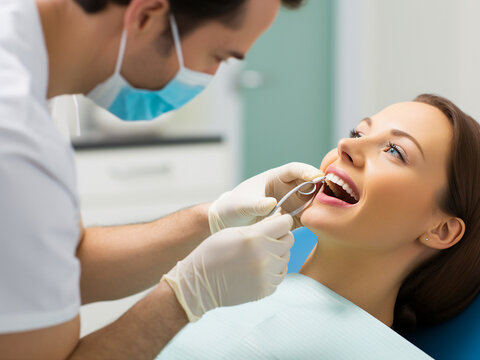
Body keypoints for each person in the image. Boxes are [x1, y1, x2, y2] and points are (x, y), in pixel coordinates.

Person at [0, 0, 327, 359]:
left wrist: (212, 220)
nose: (209, 76)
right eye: (217, 56)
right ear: (146, 15)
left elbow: (63, 264)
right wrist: (186, 297)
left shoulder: (33, 66)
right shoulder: (15, 142)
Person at [154, 94, 480, 359]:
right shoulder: (230, 286)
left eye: (394, 151)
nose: (345, 145)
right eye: (359, 133)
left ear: (441, 230)